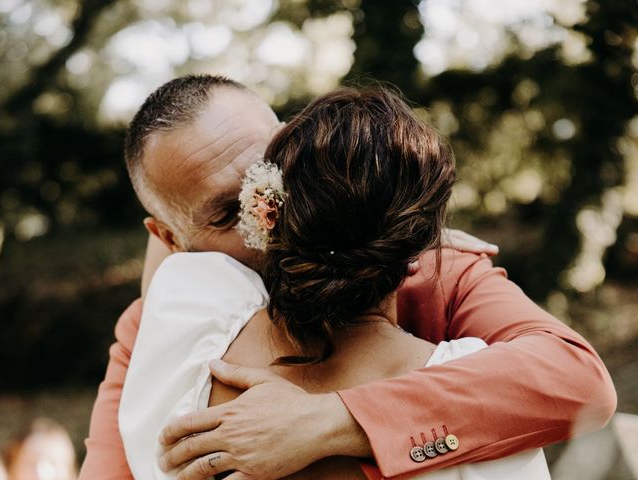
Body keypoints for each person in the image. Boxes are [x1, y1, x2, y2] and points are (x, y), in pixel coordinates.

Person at [79, 75, 616, 480]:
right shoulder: (154, 326)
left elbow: (575, 379)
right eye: (229, 214)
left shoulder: (437, 270)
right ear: (170, 238)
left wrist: (333, 421)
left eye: (273, 175)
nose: (273, 216)